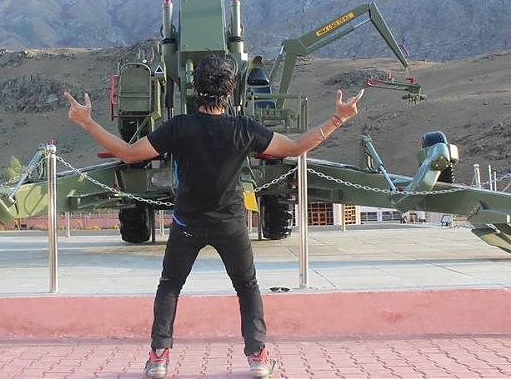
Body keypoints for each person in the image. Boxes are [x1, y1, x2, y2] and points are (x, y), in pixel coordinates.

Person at [64, 55, 364, 379]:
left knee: (169, 286)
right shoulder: (244, 129)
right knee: (247, 287)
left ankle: (158, 358)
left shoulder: (179, 127)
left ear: (196, 89)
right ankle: (258, 357)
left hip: (187, 226)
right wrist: (337, 118)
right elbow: (293, 147)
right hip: (231, 226)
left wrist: (88, 122)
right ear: (230, 91)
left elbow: (129, 153)